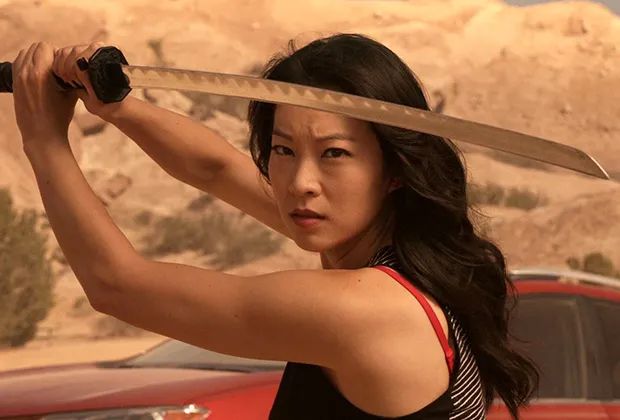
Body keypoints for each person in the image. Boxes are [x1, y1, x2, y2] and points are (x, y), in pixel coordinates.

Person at [11, 33, 538, 419]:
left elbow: (117, 286)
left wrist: (43, 138)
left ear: (395, 169)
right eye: (283, 150)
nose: (301, 182)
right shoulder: (409, 255)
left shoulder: (368, 310)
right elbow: (216, 168)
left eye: (334, 153)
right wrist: (116, 107)